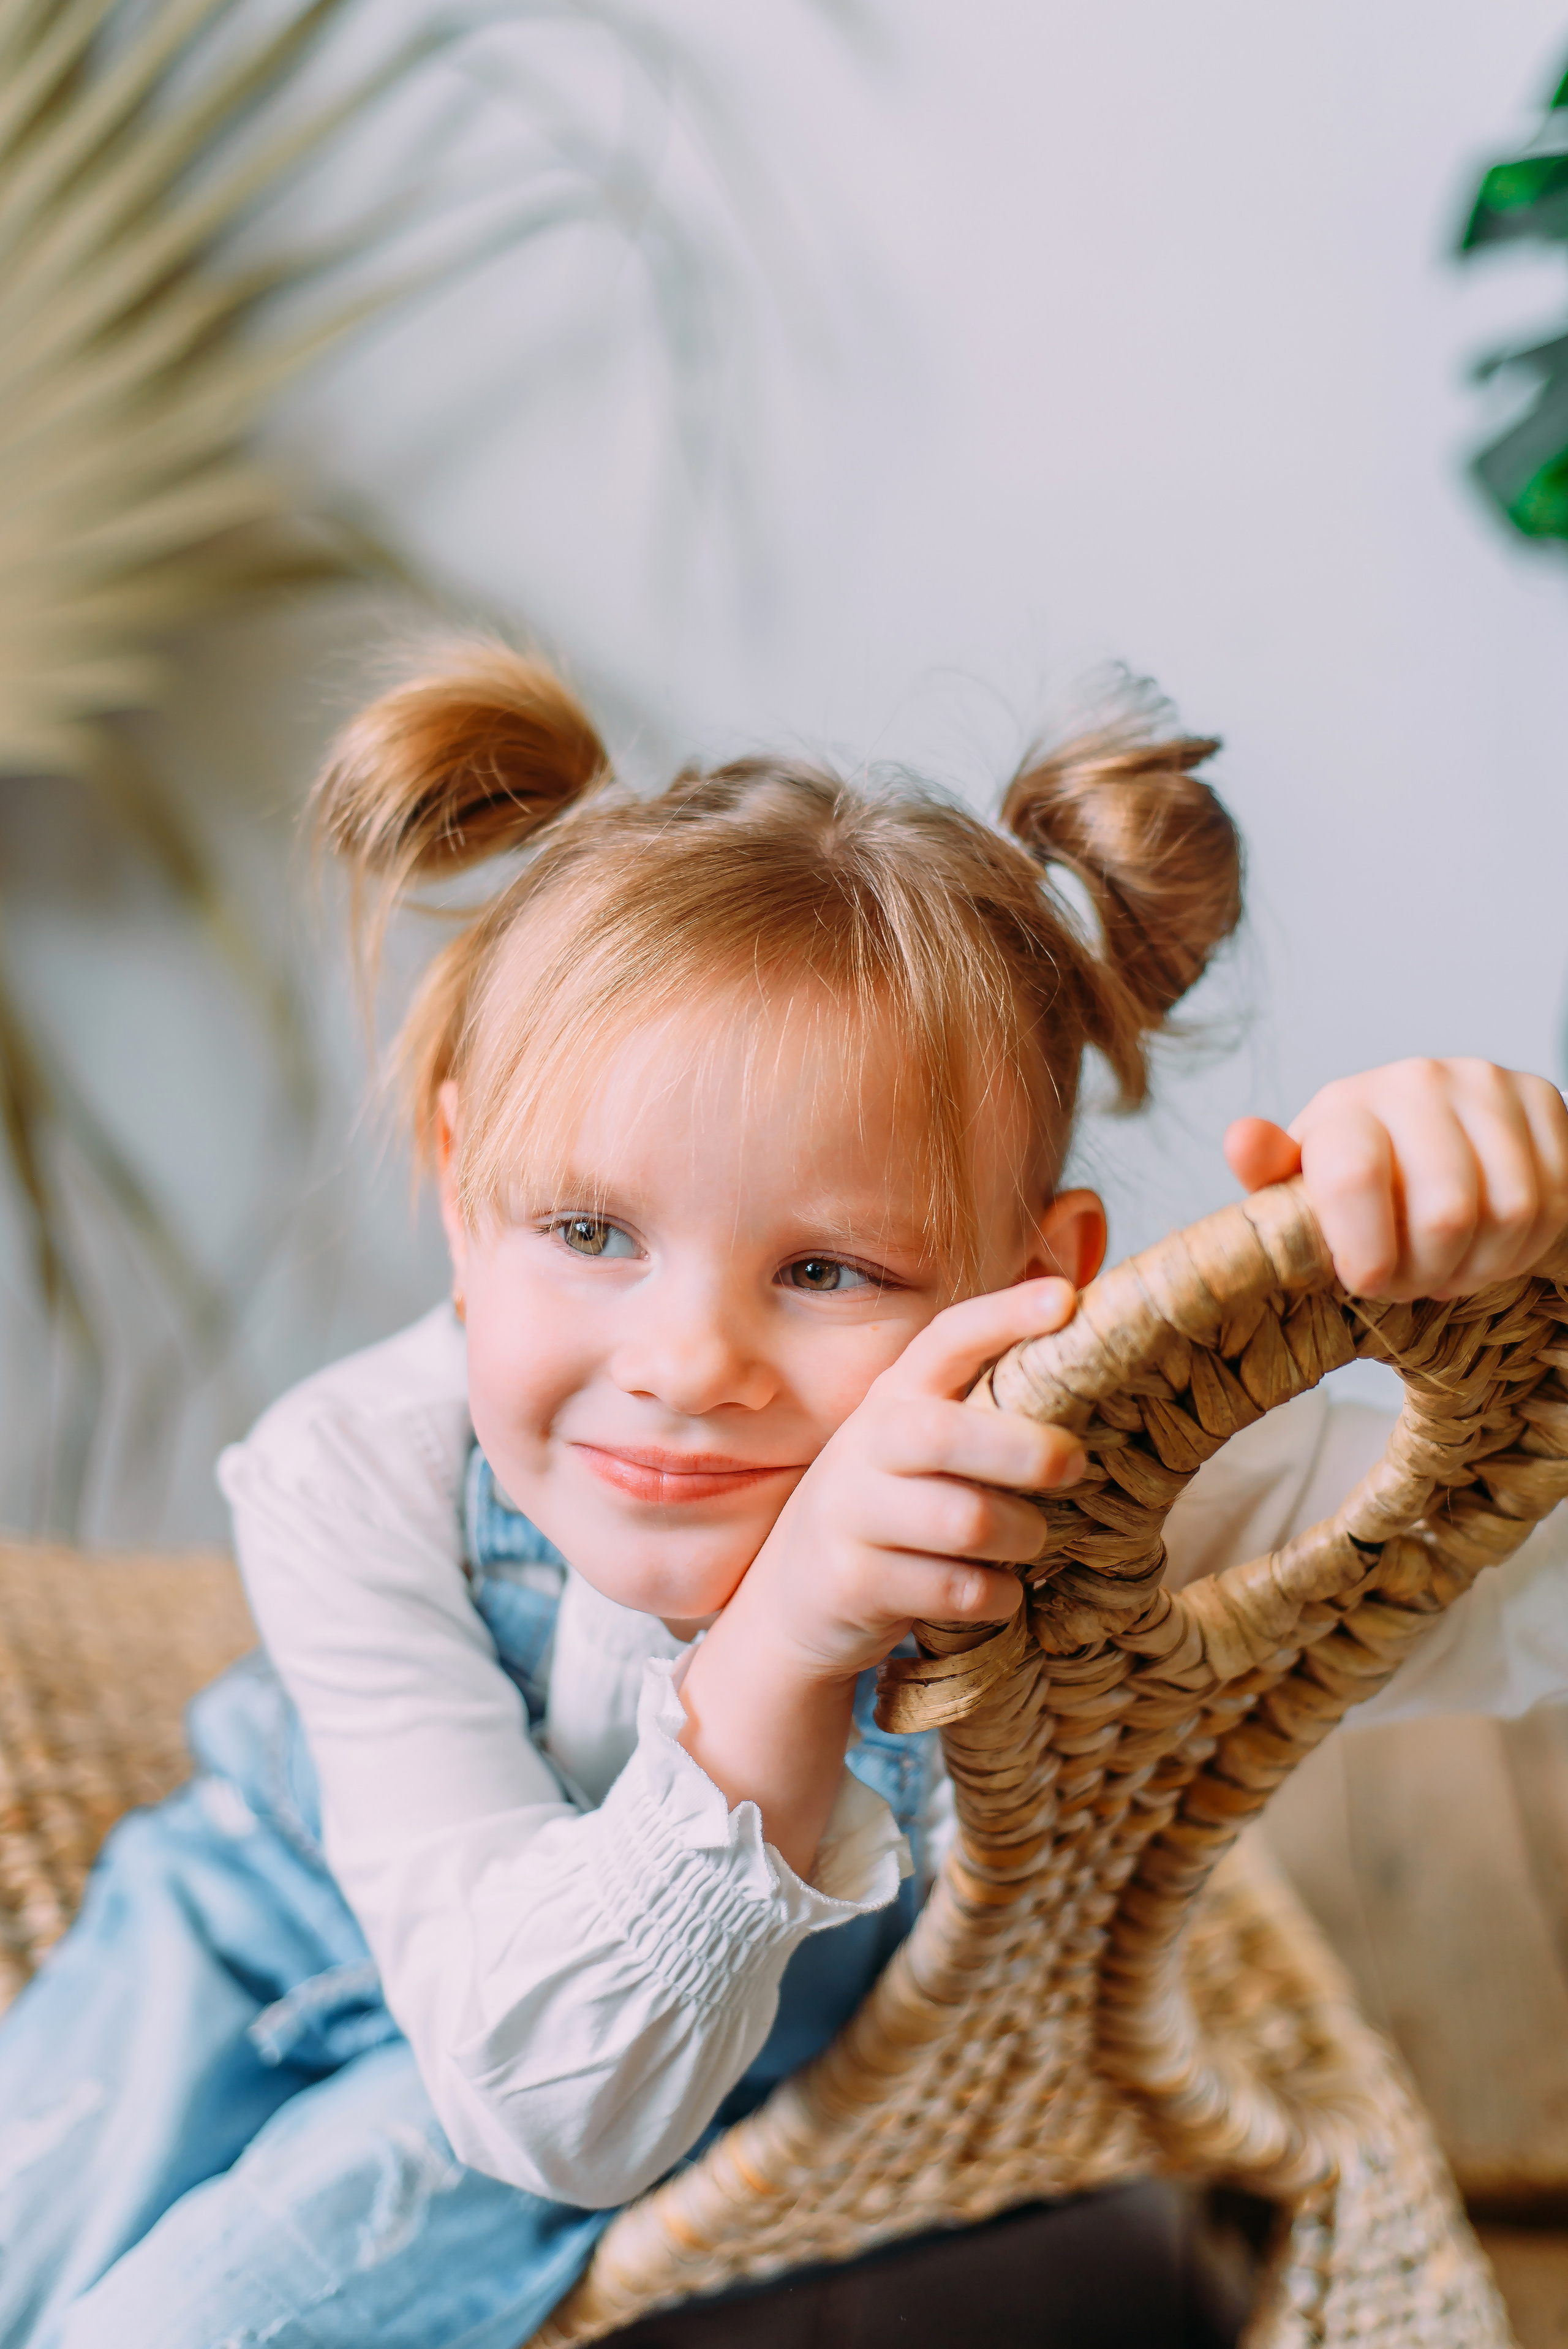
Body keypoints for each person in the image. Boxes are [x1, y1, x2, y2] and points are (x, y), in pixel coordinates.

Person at [2, 646, 1566, 2349]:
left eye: (827, 1267)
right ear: (463, 1193)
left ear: (1038, 1282)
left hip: (598, 2059)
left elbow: (551, 2109)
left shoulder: (1075, 1486)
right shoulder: (355, 1467)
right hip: (246, 1918)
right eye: (590, 1231)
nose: (686, 1359)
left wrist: (1494, 1250)